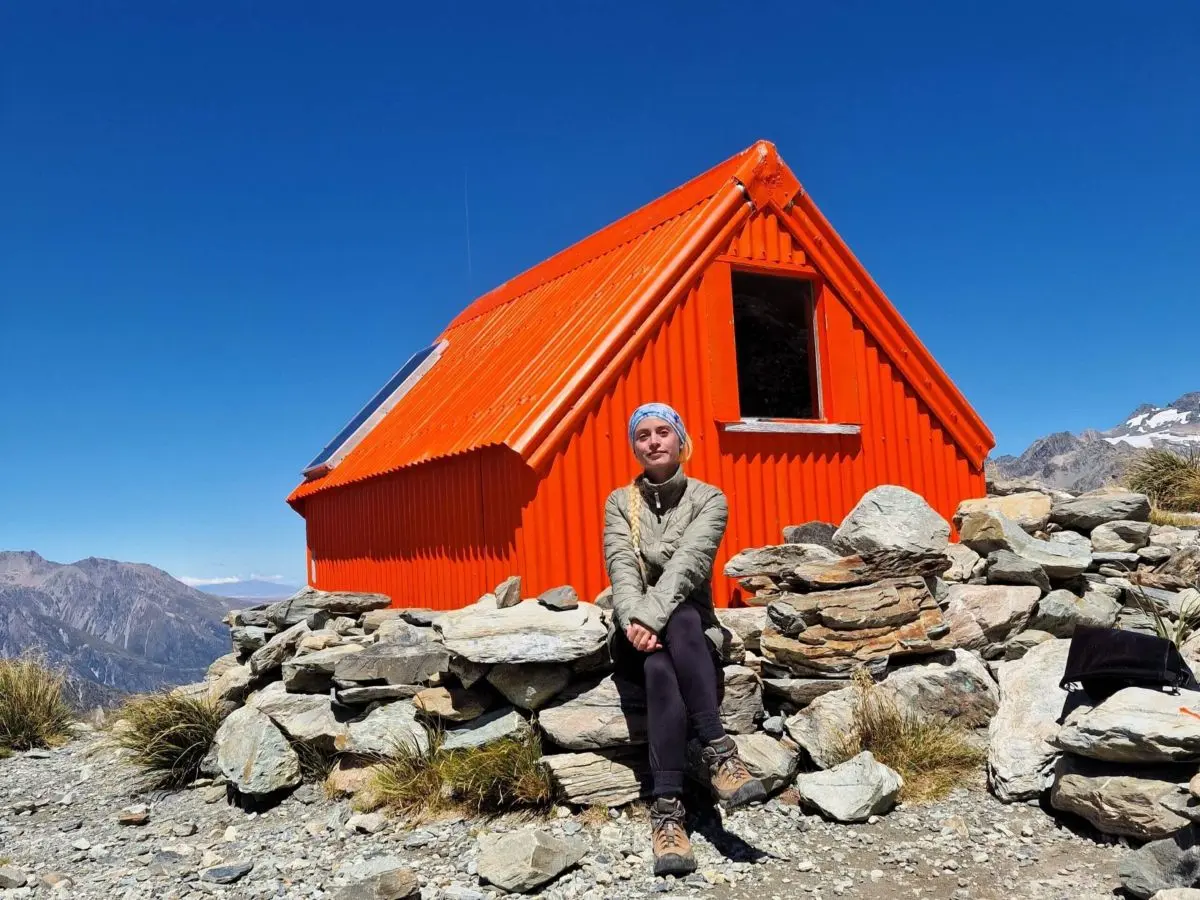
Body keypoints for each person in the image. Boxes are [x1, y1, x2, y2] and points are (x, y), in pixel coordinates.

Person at [602, 402, 767, 877]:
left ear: (680, 440)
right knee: (659, 648)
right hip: (636, 631)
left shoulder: (708, 498)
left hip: (688, 627)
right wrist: (638, 622)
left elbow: (688, 566)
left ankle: (667, 809)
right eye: (642, 435)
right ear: (635, 446)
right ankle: (720, 754)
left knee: (681, 625)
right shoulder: (619, 502)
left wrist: (653, 617)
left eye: (662, 432)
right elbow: (622, 568)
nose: (653, 441)